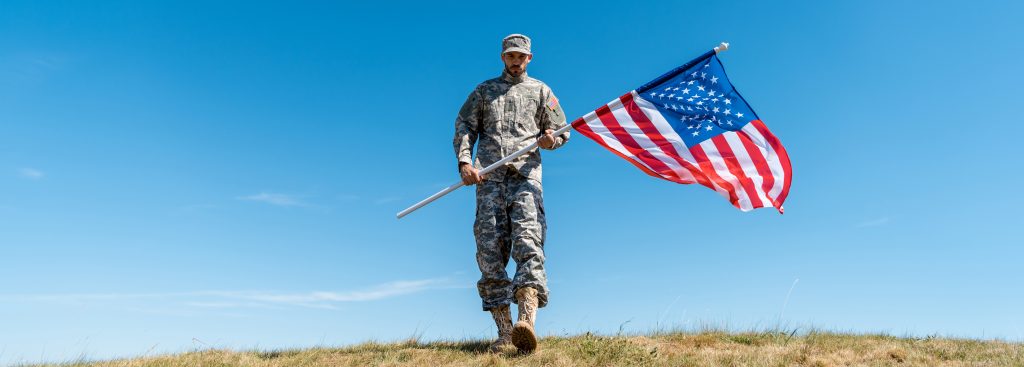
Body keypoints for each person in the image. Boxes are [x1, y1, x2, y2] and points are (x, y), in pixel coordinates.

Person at [452, 33, 570, 354]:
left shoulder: (541, 91)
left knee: (529, 241)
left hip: (526, 178)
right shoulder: (483, 91)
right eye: (510, 56)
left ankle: (526, 322)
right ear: (502, 58)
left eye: (521, 56)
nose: (516, 61)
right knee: (489, 249)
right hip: (488, 179)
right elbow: (464, 126)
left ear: (529, 58)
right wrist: (465, 162)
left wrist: (550, 139)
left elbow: (562, 131)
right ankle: (505, 331)